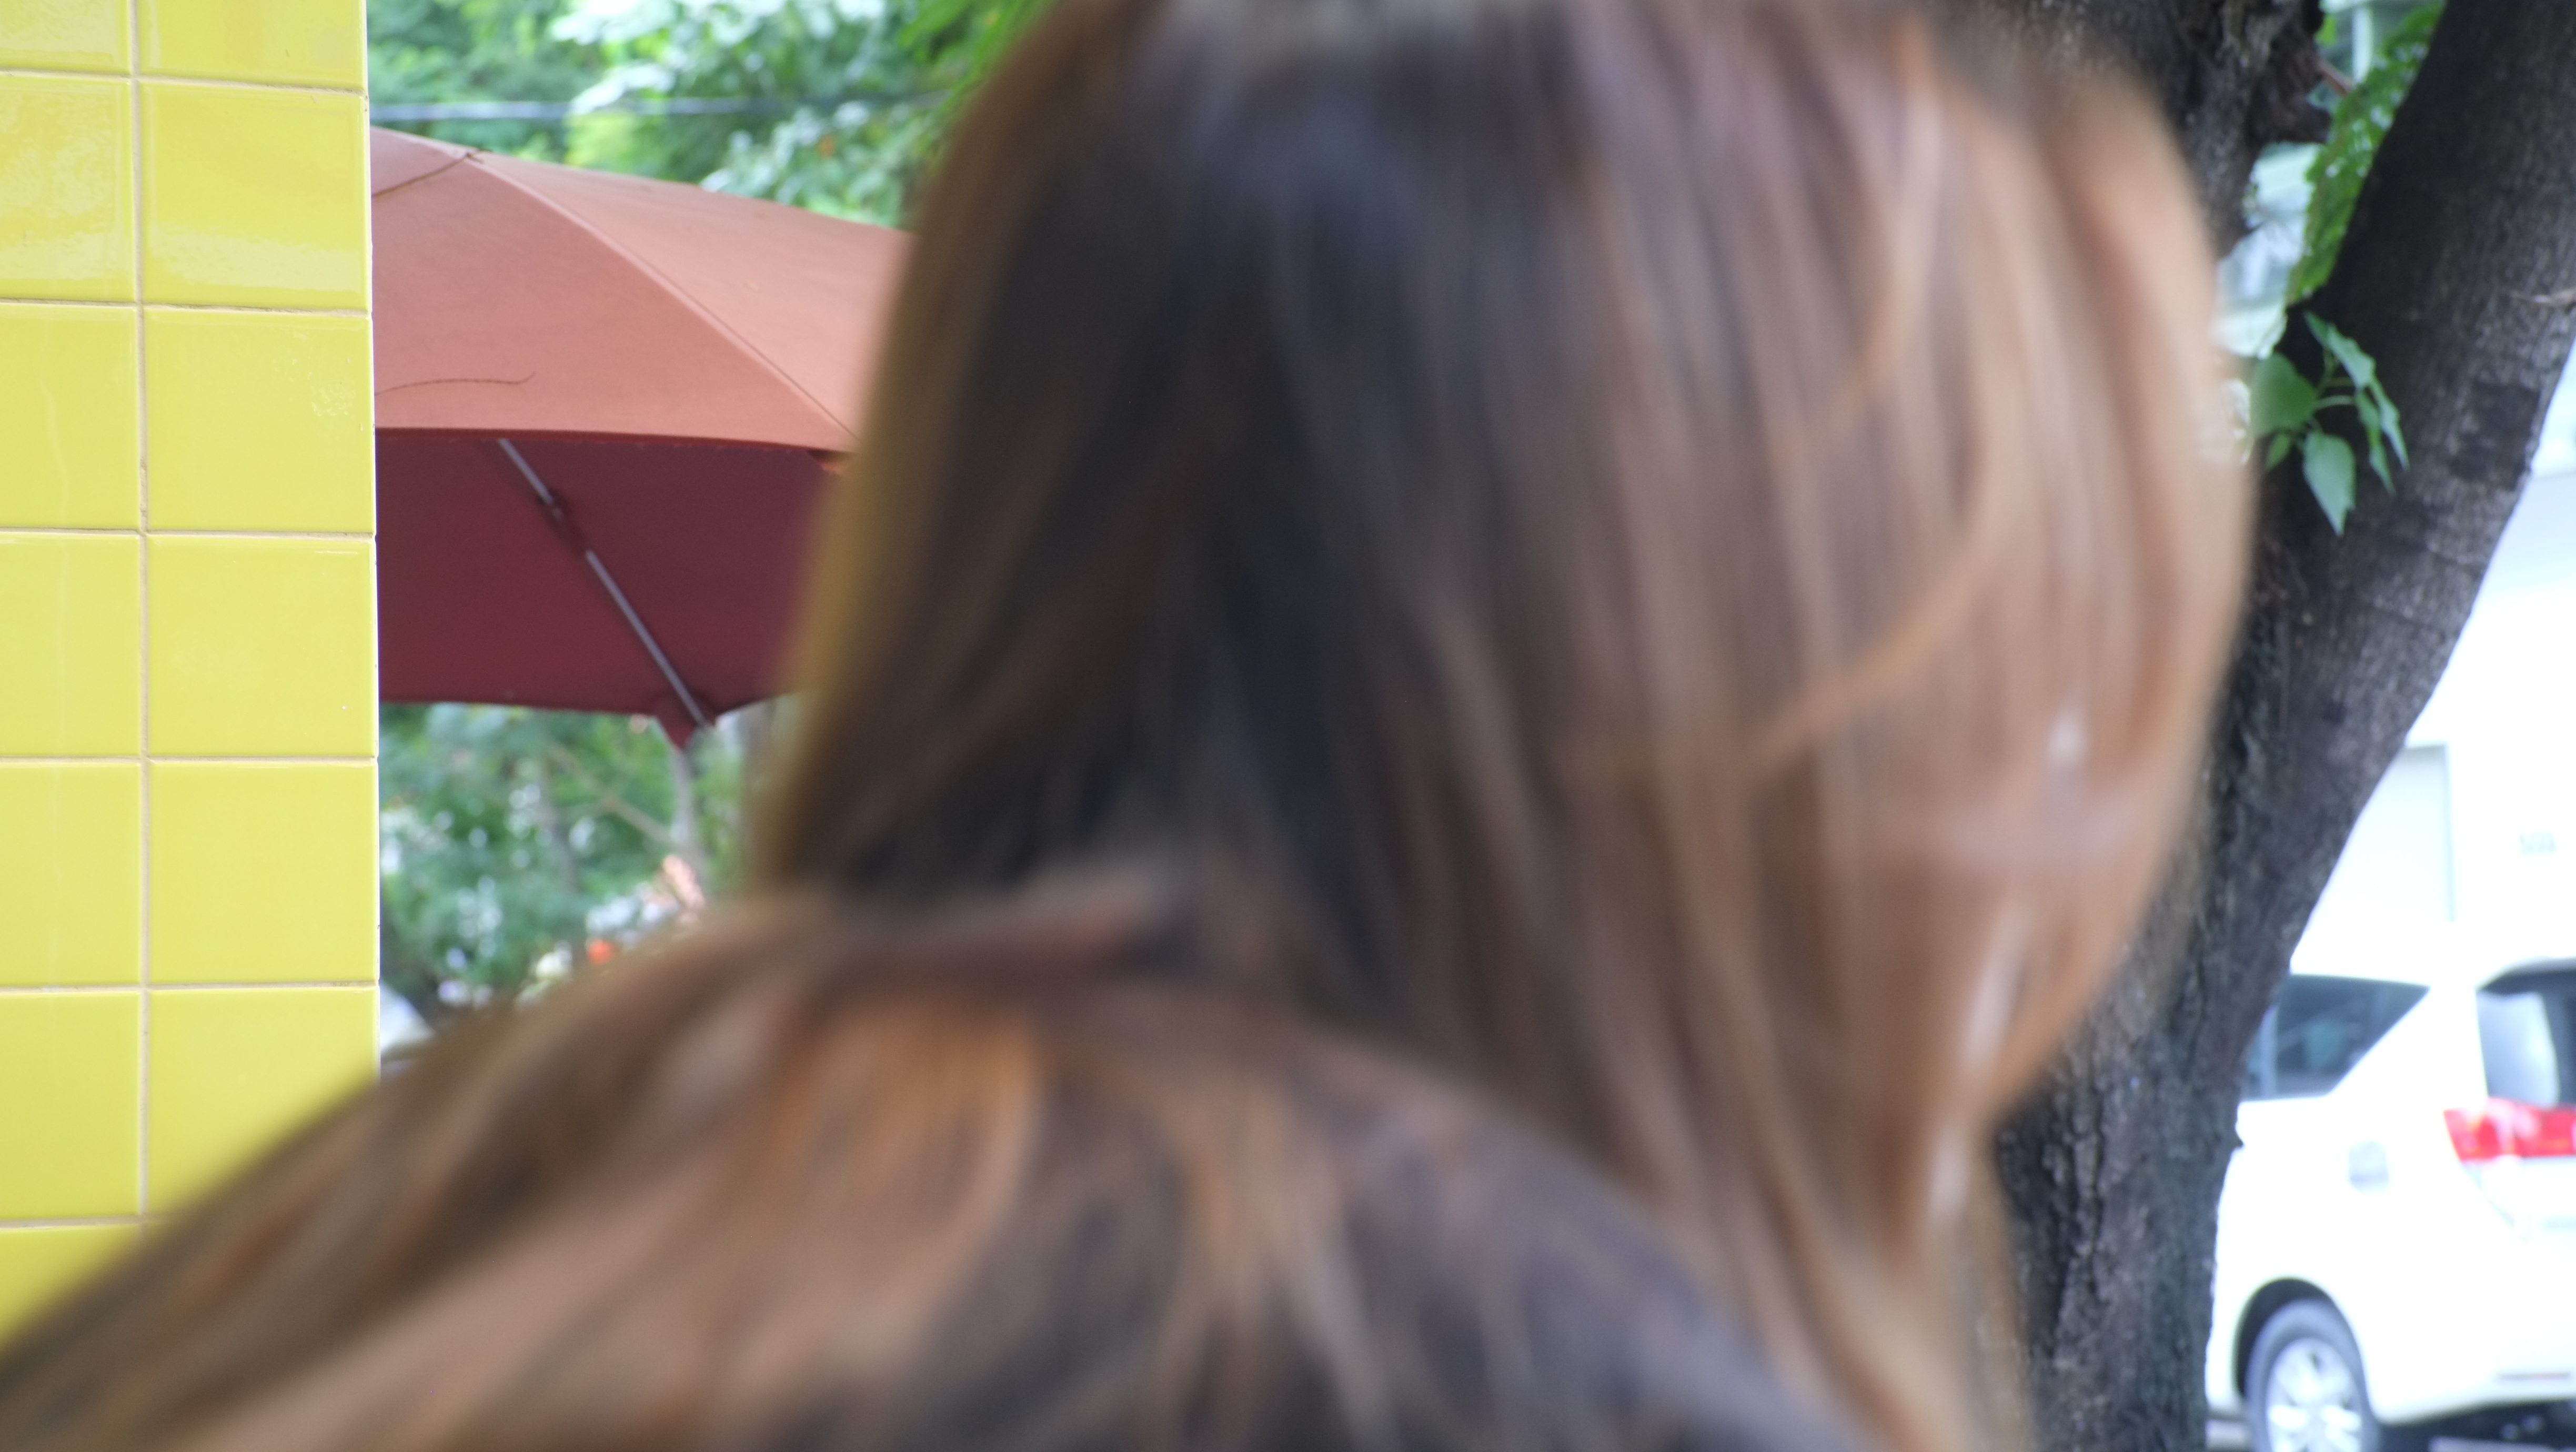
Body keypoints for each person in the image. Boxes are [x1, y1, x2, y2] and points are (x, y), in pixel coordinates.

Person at [0, 0, 2245, 1449]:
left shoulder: (378, 1227)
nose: (2038, 825)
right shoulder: (1513, 1376)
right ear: (1748, 687)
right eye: (1992, 645)